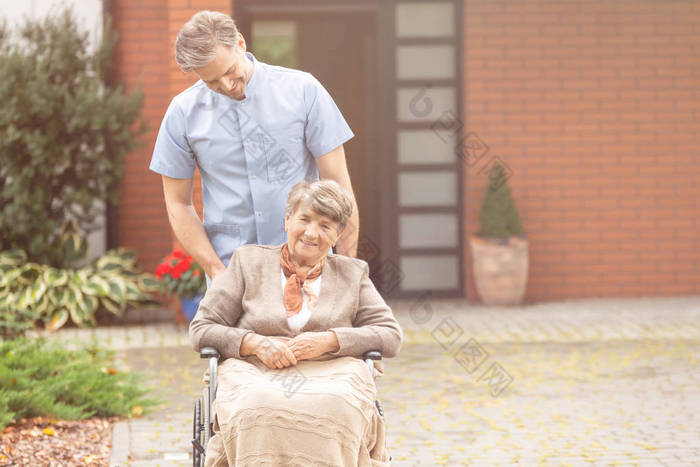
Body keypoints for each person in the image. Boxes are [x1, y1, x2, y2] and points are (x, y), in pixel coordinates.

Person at [189, 180, 402, 466]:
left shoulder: (352, 273)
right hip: (255, 369)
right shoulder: (247, 262)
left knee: (336, 405)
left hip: (332, 371)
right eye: (305, 219)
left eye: (326, 226)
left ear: (338, 234)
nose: (312, 233)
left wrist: (330, 341)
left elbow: (390, 335)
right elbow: (202, 328)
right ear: (288, 220)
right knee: (256, 405)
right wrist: (254, 343)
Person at [150, 11, 360, 282]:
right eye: (211, 82)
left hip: (308, 268)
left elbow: (338, 186)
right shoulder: (182, 113)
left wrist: (346, 270)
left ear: (240, 43)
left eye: (228, 72)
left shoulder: (304, 91)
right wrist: (215, 270)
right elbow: (178, 204)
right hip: (233, 272)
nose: (226, 86)